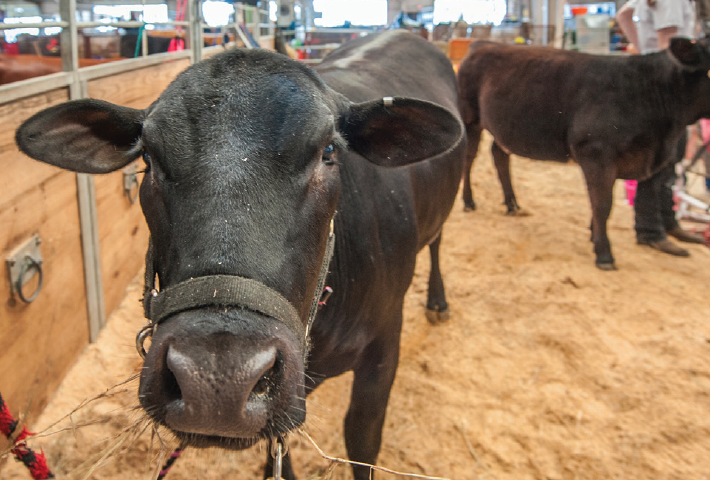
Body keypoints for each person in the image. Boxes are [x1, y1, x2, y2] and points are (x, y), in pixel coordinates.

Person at [616, 0, 708, 256]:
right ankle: (649, 231)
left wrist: (642, 51)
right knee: (658, 162)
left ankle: (667, 221)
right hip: (667, 89)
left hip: (653, 84)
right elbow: (668, 48)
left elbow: (624, 15)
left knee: (669, 159)